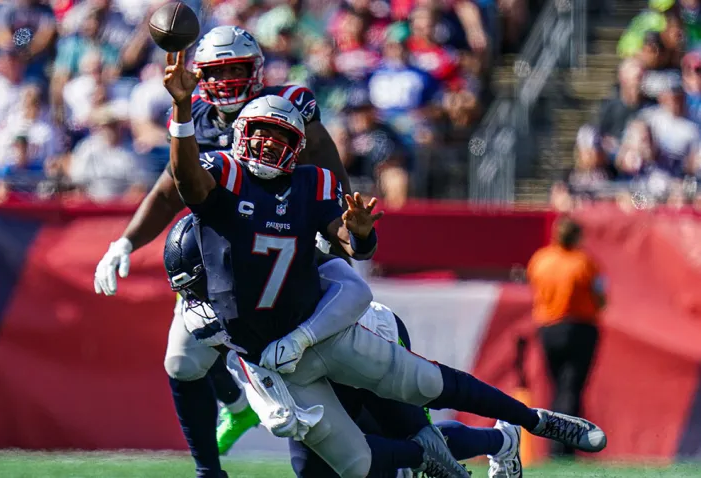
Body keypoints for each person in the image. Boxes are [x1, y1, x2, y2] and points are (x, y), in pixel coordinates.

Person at [161, 49, 606, 477]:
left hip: (326, 334)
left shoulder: (309, 185)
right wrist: (183, 109)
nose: (266, 145)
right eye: (260, 133)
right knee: (354, 465)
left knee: (429, 383)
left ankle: (533, 420)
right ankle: (428, 457)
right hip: (274, 361)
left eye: (280, 138)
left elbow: (356, 271)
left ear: (298, 148)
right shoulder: (221, 180)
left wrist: (358, 232)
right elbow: (184, 178)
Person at [93, 25, 348, 477]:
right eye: (218, 70)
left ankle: (410, 415)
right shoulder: (195, 118)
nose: (228, 80)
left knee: (350, 343)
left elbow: (330, 176)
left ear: (257, 71)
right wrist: (125, 241)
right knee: (182, 361)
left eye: (238, 69)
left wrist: (340, 235)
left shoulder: (287, 106)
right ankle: (210, 468)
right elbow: (170, 190)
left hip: (288, 263)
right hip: (224, 271)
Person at [166, 215, 524, 478]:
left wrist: (300, 339)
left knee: (412, 441)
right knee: (312, 469)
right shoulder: (210, 307)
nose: (199, 299)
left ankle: (500, 442)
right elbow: (191, 370)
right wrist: (209, 465)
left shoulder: (276, 259)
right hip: (308, 374)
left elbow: (350, 284)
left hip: (362, 343)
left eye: (201, 286)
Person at [527, 216, 605, 458]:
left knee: (557, 387)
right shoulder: (584, 263)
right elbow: (600, 298)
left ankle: (556, 443)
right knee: (571, 388)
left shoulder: (540, 260)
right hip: (579, 327)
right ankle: (564, 448)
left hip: (548, 328)